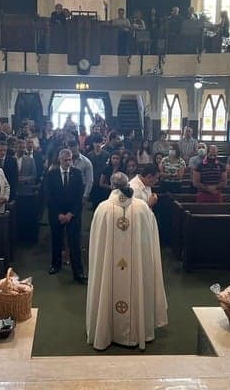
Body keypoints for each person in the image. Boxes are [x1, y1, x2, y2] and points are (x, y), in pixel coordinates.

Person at [86, 172, 168, 351]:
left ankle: (106, 331)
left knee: (106, 280)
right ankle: (138, 331)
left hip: (110, 271)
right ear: (127, 185)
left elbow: (96, 247)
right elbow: (151, 241)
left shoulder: (102, 209)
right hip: (135, 269)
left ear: (111, 186)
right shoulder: (142, 208)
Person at [45, 149, 87, 284]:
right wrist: (58, 214)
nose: (68, 162)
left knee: (74, 243)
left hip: (73, 214)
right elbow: (49, 196)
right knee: (56, 240)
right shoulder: (51, 174)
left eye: (70, 160)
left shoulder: (77, 174)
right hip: (56, 213)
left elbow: (79, 197)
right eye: (65, 160)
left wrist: (70, 214)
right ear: (59, 160)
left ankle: (78, 272)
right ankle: (56, 264)